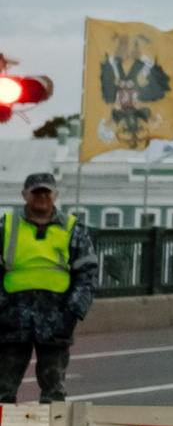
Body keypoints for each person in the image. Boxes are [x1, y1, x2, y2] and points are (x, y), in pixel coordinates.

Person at [2, 170, 99, 402]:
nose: (42, 197)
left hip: (56, 320)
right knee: (3, 390)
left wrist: (72, 313)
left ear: (55, 195)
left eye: (46, 193)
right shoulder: (6, 226)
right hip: (11, 321)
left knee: (54, 392)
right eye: (36, 193)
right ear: (24, 195)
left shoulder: (73, 229)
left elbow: (87, 275)